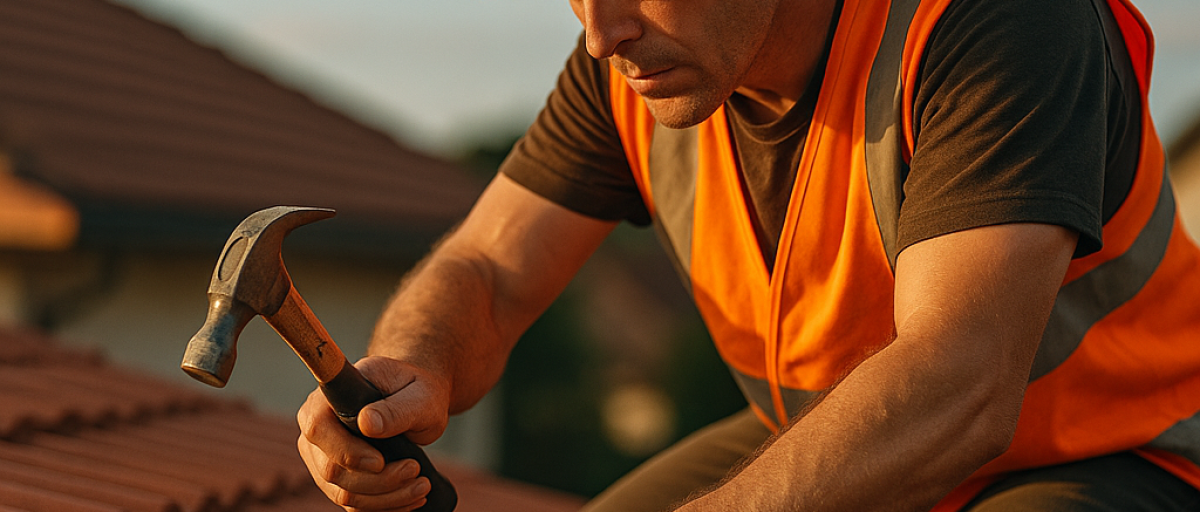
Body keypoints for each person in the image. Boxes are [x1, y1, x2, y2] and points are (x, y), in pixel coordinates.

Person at [296, 0, 1200, 510]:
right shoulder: (638, 63)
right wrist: (417, 367)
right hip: (846, 435)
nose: (601, 33)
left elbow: (960, 378)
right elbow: (490, 268)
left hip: (1119, 452)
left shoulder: (998, 23)